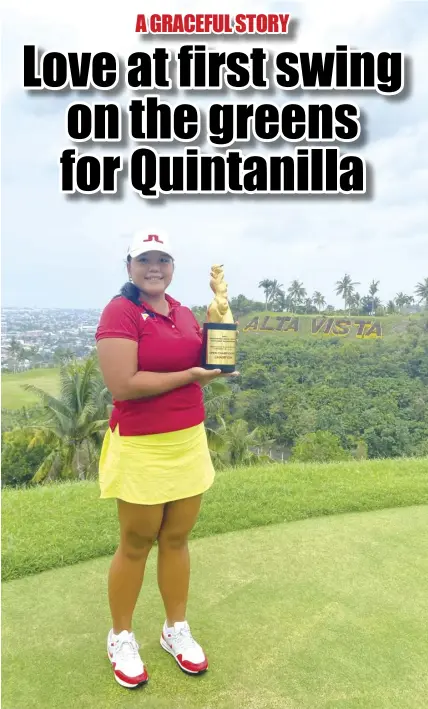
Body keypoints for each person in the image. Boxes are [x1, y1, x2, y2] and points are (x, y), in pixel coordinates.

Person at [95, 229, 238, 690]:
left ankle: (174, 628)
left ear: (172, 266)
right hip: (142, 443)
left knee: (176, 538)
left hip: (187, 439)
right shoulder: (120, 311)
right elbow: (123, 385)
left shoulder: (180, 311)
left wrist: (219, 332)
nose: (154, 268)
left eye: (162, 260)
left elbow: (203, 368)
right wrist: (192, 375)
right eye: (144, 261)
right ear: (130, 268)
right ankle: (120, 636)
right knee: (137, 542)